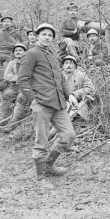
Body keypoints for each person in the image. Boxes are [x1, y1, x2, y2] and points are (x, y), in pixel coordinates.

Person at [17, 23, 76, 180]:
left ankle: (49, 166)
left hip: (58, 103)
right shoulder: (31, 54)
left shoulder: (52, 54)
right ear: (37, 36)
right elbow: (22, 80)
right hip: (41, 104)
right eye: (44, 34)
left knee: (68, 136)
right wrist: (33, 101)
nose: (47, 37)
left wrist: (68, 95)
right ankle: (41, 177)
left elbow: (61, 77)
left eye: (50, 35)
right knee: (41, 143)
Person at [0, 42, 27, 125]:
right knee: (6, 95)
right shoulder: (11, 63)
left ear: (25, 52)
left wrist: (15, 78)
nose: (18, 52)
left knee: (21, 98)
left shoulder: (29, 62)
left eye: (20, 50)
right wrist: (19, 77)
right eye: (16, 51)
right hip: (14, 87)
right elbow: (6, 76)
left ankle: (13, 123)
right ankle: (2, 120)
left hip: (25, 88)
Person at [60, 55, 96, 121]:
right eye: (66, 63)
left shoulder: (81, 75)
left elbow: (91, 88)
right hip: (64, 104)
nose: (68, 65)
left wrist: (74, 94)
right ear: (63, 66)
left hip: (79, 104)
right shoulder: (58, 77)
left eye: (71, 63)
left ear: (75, 66)